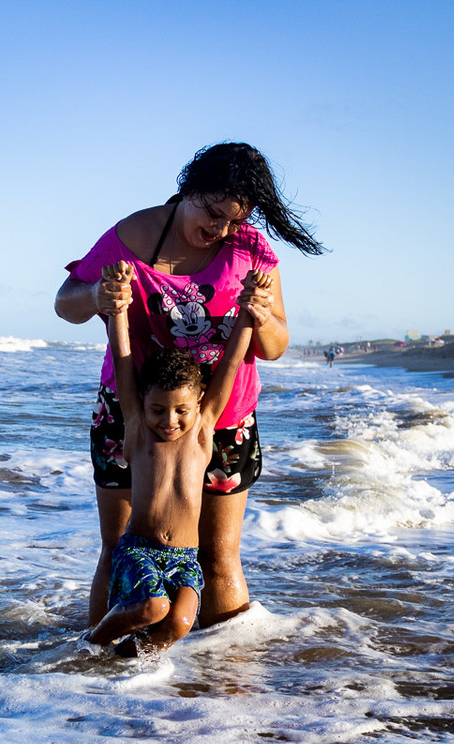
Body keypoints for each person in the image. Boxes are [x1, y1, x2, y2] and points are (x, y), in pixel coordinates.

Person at [54, 142, 325, 629]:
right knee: (118, 548)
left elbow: (276, 343)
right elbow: (65, 304)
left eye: (233, 221)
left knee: (217, 557)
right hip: (136, 408)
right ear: (190, 188)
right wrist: (96, 294)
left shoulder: (251, 250)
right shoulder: (130, 236)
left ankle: (218, 683)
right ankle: (90, 678)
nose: (220, 230)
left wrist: (260, 318)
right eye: (214, 213)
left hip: (223, 415)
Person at [86, 263, 265, 655]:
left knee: (180, 621)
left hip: (185, 558)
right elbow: (123, 357)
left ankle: (126, 662)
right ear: (143, 406)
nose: (169, 421)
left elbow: (231, 365)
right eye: (157, 410)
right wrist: (118, 307)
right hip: (139, 550)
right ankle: (91, 645)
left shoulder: (202, 430)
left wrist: (249, 310)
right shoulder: (136, 429)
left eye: (180, 411)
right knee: (153, 607)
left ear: (198, 403)